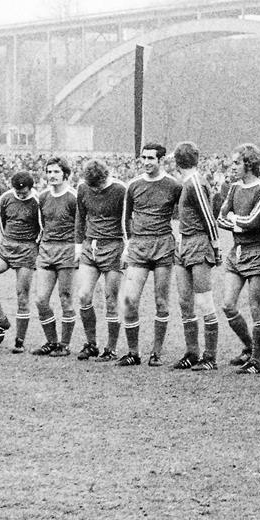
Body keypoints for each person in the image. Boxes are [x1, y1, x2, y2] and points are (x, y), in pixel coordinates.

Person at [116, 143, 182, 367]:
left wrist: (181, 239)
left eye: (151, 158)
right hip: (139, 246)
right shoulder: (133, 184)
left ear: (161, 160)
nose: (146, 162)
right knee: (129, 300)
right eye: (143, 158)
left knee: (161, 302)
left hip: (163, 245)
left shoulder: (173, 185)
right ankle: (133, 352)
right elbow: (125, 219)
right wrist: (128, 243)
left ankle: (156, 353)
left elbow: (184, 215)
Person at [216, 143, 260, 375]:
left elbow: (254, 222)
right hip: (236, 251)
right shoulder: (234, 187)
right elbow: (220, 218)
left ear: (249, 164)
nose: (233, 166)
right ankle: (249, 347)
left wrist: (235, 220)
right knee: (228, 305)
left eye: (237, 162)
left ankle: (256, 360)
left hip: (257, 251)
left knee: (256, 307)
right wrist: (238, 221)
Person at [0, 171, 41, 352]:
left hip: (26, 249)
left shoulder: (38, 202)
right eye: (17, 192)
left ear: (31, 189)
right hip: (5, 246)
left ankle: (19, 341)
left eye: (24, 192)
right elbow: (2, 223)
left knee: (22, 297)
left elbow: (42, 228)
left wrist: (33, 247)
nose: (20, 195)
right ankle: (0, 320)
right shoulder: (5, 198)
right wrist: (6, 241)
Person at [171, 141, 222, 371]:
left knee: (203, 301)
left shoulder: (194, 183)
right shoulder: (188, 182)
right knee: (185, 301)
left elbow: (209, 218)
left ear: (177, 162)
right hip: (184, 243)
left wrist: (216, 246)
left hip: (199, 244)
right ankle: (192, 352)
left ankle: (209, 357)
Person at [73, 159, 128, 361]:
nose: (95, 190)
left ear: (106, 177)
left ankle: (111, 348)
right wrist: (78, 246)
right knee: (84, 295)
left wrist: (127, 247)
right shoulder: (83, 188)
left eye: (99, 185)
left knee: (111, 299)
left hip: (113, 246)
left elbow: (128, 219)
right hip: (90, 246)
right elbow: (80, 217)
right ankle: (91, 344)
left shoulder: (121, 190)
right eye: (92, 186)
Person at [31, 157, 78, 357]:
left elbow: (80, 225)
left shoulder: (73, 197)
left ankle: (64, 344)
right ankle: (51, 341)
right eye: (49, 172)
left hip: (67, 250)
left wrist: (77, 250)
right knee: (41, 299)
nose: (52, 176)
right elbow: (41, 225)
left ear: (65, 174)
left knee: (66, 298)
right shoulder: (42, 197)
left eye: (56, 172)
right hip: (46, 250)